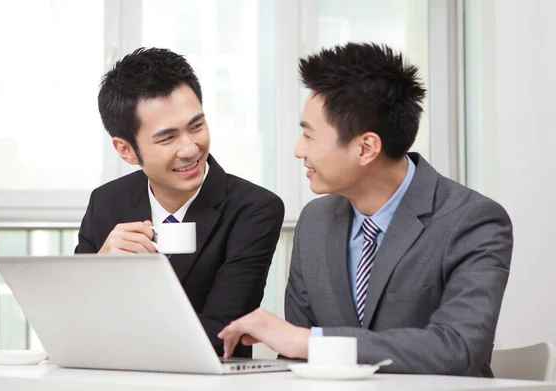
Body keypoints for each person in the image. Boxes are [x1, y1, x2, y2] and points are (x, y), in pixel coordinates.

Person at [218, 42, 513, 376]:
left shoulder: (473, 221)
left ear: (366, 147)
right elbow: (296, 361)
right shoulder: (314, 222)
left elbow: (457, 349)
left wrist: (311, 342)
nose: (299, 150)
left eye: (309, 136)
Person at [75, 47, 285, 358]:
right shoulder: (106, 202)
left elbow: (220, 334)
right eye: (167, 138)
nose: (190, 149)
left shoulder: (254, 209)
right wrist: (102, 272)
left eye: (197, 126)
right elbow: (73, 324)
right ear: (126, 150)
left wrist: (109, 333)